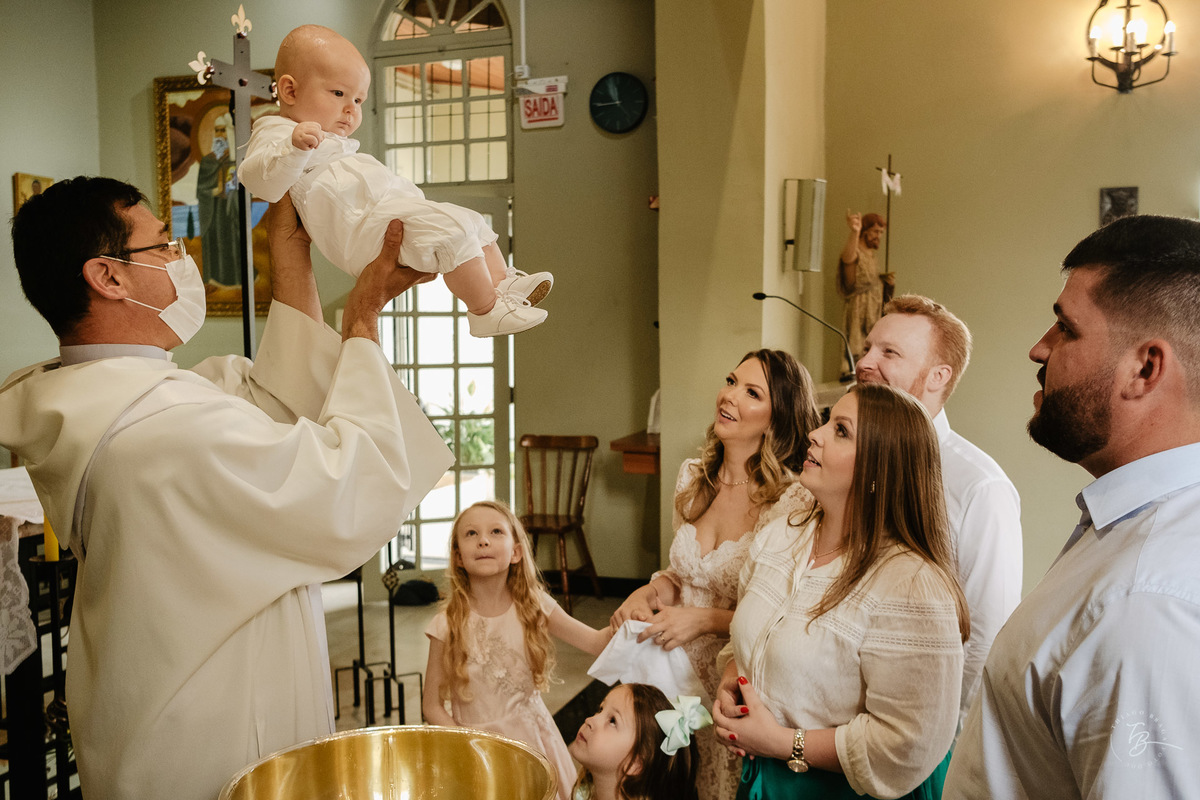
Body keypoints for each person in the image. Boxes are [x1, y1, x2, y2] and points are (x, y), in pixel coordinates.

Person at [0, 177, 453, 800]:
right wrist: (364, 323)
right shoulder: (166, 432)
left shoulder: (98, 399)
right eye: (164, 245)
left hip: (147, 707)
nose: (184, 257)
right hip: (209, 738)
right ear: (109, 277)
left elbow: (270, 401)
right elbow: (345, 491)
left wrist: (288, 256)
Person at [945, 215, 1200, 799]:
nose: (1040, 346)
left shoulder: (1147, 601)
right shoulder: (1131, 536)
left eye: (1066, 328)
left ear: (1144, 368)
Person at [713, 382, 968, 800]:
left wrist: (780, 742)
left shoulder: (910, 585)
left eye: (841, 431)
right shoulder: (779, 538)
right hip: (762, 783)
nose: (816, 433)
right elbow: (752, 636)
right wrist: (732, 679)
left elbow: (905, 744)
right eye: (828, 422)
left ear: (877, 470)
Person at [239, 24, 551, 337]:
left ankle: (502, 284)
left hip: (384, 212)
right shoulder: (276, 133)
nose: (351, 110)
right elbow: (259, 182)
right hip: (361, 229)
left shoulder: (331, 138)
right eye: (338, 93)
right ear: (290, 91)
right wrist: (293, 148)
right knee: (451, 232)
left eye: (359, 101)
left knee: (471, 221)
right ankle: (484, 311)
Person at [609, 349, 819, 800]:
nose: (729, 395)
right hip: (669, 670)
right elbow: (680, 574)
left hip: (730, 676)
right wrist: (649, 591)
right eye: (730, 381)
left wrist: (702, 620)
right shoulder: (692, 477)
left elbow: (781, 613)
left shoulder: (790, 501)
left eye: (751, 392)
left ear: (776, 417)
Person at [855, 294, 1022, 732]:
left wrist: (942, 740)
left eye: (889, 353)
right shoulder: (842, 459)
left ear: (937, 376)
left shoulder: (979, 488)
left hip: (919, 733)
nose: (865, 362)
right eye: (868, 348)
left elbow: (987, 633)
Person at [422, 500, 612, 800]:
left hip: (533, 744)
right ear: (458, 557)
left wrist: (635, 615)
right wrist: (469, 742)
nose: (483, 539)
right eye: (471, 534)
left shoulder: (534, 606)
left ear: (516, 552)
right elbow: (431, 706)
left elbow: (595, 642)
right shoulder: (446, 625)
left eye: (496, 531)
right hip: (476, 749)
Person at [568, 683, 705, 800]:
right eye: (600, 710)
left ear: (635, 763)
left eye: (613, 721)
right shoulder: (584, 793)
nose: (590, 720)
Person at [838, 209, 895, 375]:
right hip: (858, 313)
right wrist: (854, 232)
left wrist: (886, 285)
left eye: (881, 232)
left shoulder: (871, 255)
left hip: (873, 313)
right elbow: (848, 259)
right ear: (865, 230)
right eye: (876, 231)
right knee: (856, 353)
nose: (879, 236)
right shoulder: (856, 251)